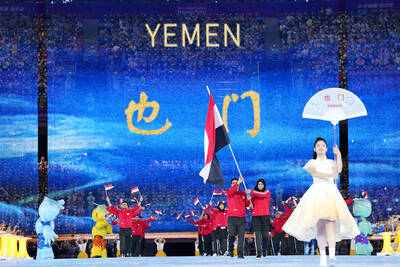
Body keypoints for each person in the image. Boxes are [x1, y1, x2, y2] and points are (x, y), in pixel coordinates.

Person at [282, 137, 359, 266]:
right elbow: (315, 174)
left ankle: (332, 255)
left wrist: (338, 154)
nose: (321, 147)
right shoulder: (312, 162)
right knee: (320, 228)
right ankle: (323, 256)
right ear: (315, 148)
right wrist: (331, 175)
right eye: (318, 145)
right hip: (317, 194)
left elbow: (339, 170)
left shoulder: (331, 161)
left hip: (330, 193)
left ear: (326, 148)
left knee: (330, 224)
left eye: (323, 145)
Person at [227, 176, 251, 259]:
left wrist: (249, 199)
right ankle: (230, 250)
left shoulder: (243, 193)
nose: (235, 184)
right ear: (231, 185)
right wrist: (238, 182)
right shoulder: (229, 192)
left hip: (241, 218)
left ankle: (240, 253)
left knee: (241, 236)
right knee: (232, 235)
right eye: (233, 183)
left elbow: (247, 205)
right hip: (232, 218)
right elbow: (232, 190)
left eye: (236, 182)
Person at [247, 178, 272, 258]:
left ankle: (264, 250)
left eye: (262, 184)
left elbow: (262, 195)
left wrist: (251, 191)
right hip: (256, 216)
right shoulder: (254, 195)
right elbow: (252, 207)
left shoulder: (267, 192)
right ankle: (259, 252)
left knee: (265, 234)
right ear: (257, 185)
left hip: (265, 216)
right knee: (257, 234)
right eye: (259, 184)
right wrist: (250, 204)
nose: (260, 186)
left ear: (264, 185)